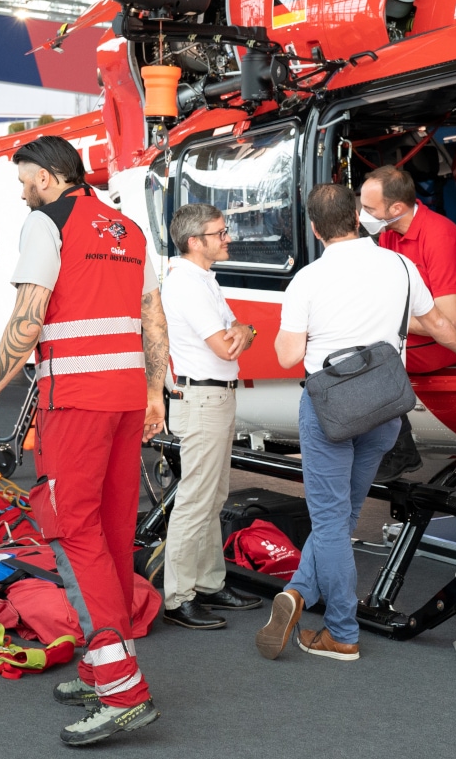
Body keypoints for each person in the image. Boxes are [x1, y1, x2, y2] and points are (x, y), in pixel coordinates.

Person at [0, 136, 167, 747]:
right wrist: (157, 391)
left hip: (75, 403)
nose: (22, 191)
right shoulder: (128, 229)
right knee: (109, 532)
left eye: (25, 180)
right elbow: (151, 317)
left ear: (52, 178)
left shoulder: (46, 223)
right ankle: (101, 663)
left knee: (70, 529)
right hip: (128, 399)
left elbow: (29, 316)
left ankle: (122, 689)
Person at [255, 184, 456, 662]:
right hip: (384, 408)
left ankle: (342, 632)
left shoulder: (307, 279)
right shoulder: (400, 266)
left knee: (329, 523)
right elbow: (438, 321)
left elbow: (288, 355)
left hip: (329, 412)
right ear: (360, 219)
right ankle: (299, 591)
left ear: (316, 228)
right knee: (341, 517)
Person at [158, 202, 262, 629]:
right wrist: (245, 332)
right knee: (196, 502)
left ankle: (207, 583)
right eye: (220, 233)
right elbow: (228, 344)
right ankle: (179, 596)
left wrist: (244, 330)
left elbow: (238, 329)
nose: (228, 238)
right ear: (194, 241)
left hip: (212, 399)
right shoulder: (188, 285)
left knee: (211, 498)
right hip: (203, 400)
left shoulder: (202, 279)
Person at [360, 165, 456, 480]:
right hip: (417, 329)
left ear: (396, 208)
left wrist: (385, 315)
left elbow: (447, 322)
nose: (363, 215)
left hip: (453, 337)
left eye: (369, 209)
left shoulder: (438, 236)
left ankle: (399, 449)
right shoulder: (389, 234)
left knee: (366, 355)